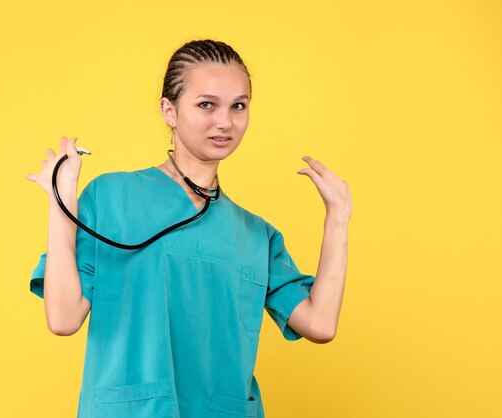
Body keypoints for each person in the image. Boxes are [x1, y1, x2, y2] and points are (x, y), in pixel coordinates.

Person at [24, 39, 352, 418]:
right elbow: (63, 318)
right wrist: (61, 202)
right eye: (206, 105)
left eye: (238, 106)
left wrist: (338, 217)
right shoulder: (111, 197)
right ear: (169, 110)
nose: (225, 122)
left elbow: (320, 323)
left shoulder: (256, 235)